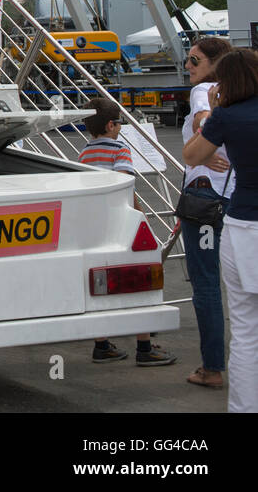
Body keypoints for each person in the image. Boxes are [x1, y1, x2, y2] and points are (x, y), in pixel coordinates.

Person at [184, 48, 258, 412]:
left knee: (246, 329)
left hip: (245, 225)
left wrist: (214, 109)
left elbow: (192, 155)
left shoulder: (227, 116)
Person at [79, 98, 177, 366]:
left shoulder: (84, 154)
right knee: (137, 281)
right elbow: (124, 186)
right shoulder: (120, 149)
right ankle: (144, 346)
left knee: (99, 283)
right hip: (119, 225)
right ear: (111, 125)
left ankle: (102, 344)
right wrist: (140, 214)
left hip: (94, 227)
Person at [179, 37, 234, 389]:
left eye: (194, 59)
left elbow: (203, 122)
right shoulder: (243, 95)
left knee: (207, 285)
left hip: (205, 199)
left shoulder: (206, 90)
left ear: (217, 63)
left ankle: (212, 367)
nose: (188, 66)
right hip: (238, 199)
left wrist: (201, 145)